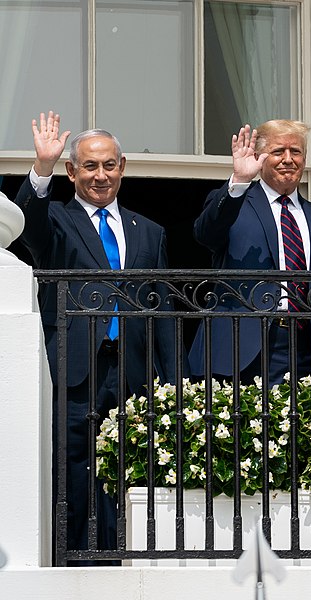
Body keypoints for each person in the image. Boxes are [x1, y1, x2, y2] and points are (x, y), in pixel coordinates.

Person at [13, 111, 178, 561]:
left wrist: (172, 379)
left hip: (133, 369)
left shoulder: (151, 231)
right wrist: (41, 169)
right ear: (72, 171)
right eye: (89, 166)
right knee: (74, 465)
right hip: (77, 366)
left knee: (131, 462)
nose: (100, 175)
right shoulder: (58, 222)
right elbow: (28, 226)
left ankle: (123, 557)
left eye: (108, 165)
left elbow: (160, 308)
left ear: (122, 167)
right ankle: (73, 560)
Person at [189, 120, 311, 386]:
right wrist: (239, 180)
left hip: (308, 352)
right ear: (259, 157)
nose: (288, 159)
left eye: (295, 152)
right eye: (278, 151)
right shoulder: (235, 204)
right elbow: (205, 234)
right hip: (243, 350)